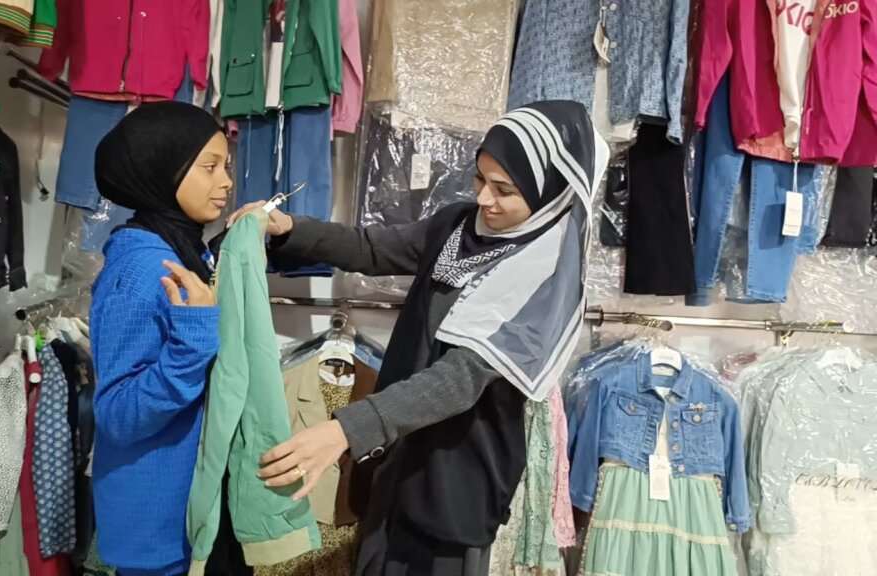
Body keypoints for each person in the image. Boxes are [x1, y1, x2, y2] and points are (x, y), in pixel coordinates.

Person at [234, 101, 608, 575]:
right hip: (400, 445)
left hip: (458, 470)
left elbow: (461, 377)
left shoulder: (545, 274)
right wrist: (291, 228)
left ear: (549, 191)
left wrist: (347, 429)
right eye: (480, 179)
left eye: (504, 190)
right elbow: (373, 248)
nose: (484, 199)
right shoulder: (457, 226)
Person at [87, 102, 243, 576]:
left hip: (188, 515)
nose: (227, 182)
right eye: (209, 167)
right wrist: (191, 345)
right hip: (156, 531)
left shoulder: (184, 250)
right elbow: (117, 413)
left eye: (226, 166)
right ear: (162, 169)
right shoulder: (141, 269)